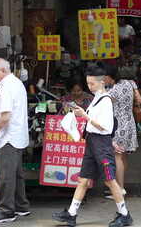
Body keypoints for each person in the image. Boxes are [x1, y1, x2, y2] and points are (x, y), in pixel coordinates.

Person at [52, 66, 133, 227]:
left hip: (100, 144)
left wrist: (85, 115)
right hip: (92, 142)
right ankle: (71, 214)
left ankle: (124, 214)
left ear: (101, 82)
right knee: (82, 179)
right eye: (88, 83)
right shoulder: (96, 98)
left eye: (92, 84)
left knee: (110, 180)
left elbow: (105, 126)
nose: (89, 87)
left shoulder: (106, 100)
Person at [0, 58, 30, 223]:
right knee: (17, 174)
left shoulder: (6, 87)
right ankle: (21, 206)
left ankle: (6, 210)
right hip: (18, 135)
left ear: (2, 71)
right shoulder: (17, 83)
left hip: (9, 137)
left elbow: (5, 117)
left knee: (6, 175)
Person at [104, 64, 141, 199]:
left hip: (118, 125)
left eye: (105, 77)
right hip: (129, 123)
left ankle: (119, 189)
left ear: (110, 77)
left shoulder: (113, 91)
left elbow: (103, 103)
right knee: (123, 156)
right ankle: (119, 186)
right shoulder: (129, 83)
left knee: (117, 156)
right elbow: (140, 100)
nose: (104, 80)